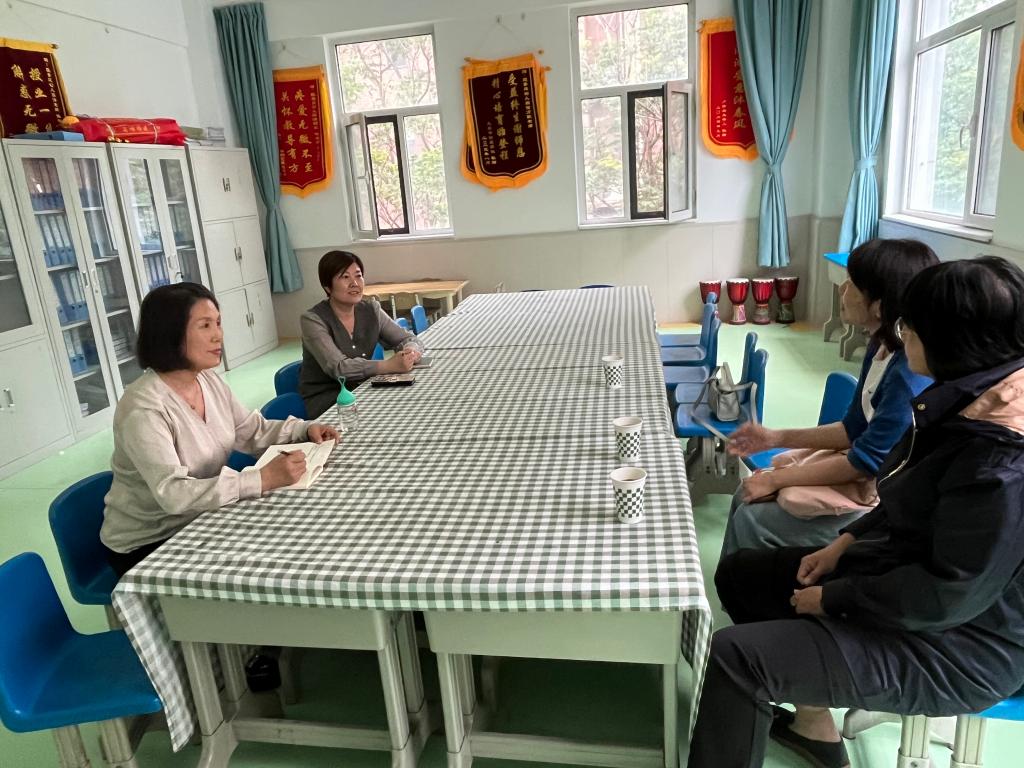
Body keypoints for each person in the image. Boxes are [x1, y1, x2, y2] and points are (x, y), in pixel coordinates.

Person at [688, 256, 1024, 768]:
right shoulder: (967, 397)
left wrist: (835, 597)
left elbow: (946, 594)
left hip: (962, 646)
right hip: (903, 576)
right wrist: (845, 543)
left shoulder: (999, 459)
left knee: (735, 658)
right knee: (742, 575)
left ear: (950, 341)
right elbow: (908, 495)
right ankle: (814, 726)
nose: (903, 336)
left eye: (912, 327)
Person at [101, 283, 339, 576]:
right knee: (267, 568)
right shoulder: (144, 408)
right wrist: (261, 479)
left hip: (203, 515)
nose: (218, 335)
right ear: (169, 333)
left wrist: (304, 429)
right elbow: (174, 494)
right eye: (205, 325)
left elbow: (250, 430)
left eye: (218, 323)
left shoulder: (207, 380)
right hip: (152, 542)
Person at [721, 239, 937, 557]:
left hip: (882, 508)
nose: (842, 290)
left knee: (754, 519)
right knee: (745, 493)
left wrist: (776, 480)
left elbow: (865, 463)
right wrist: (774, 437)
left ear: (879, 306)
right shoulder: (881, 346)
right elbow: (852, 429)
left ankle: (769, 587)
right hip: (864, 480)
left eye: (851, 284)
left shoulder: (908, 375)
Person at [299, 250, 424, 418]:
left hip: (365, 388)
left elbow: (408, 338)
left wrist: (411, 352)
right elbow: (339, 368)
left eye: (358, 276)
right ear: (327, 286)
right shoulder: (313, 320)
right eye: (345, 277)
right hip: (330, 399)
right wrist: (387, 366)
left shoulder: (371, 309)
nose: (354, 283)